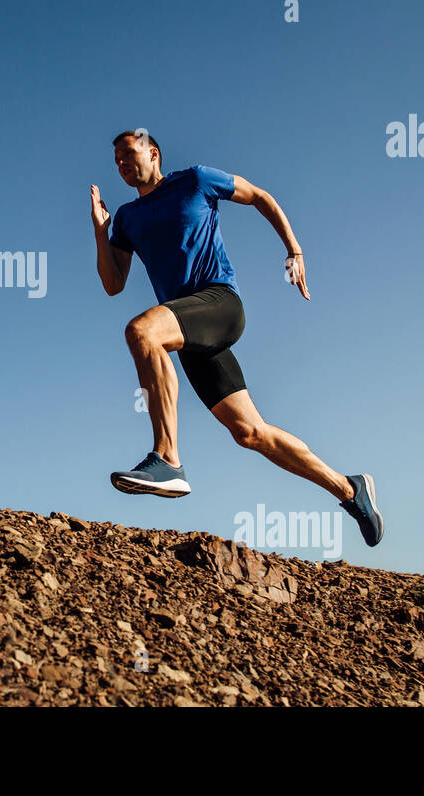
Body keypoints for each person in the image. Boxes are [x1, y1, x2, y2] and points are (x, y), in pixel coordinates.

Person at [91, 130, 383, 546]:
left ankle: (167, 459)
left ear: (152, 153)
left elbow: (261, 196)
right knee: (251, 432)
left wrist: (294, 250)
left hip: (218, 303)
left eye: (129, 154)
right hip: (185, 327)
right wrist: (101, 232)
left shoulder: (195, 180)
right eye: (116, 159)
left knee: (142, 331)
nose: (121, 164)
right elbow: (113, 283)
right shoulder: (126, 219)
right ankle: (351, 490)